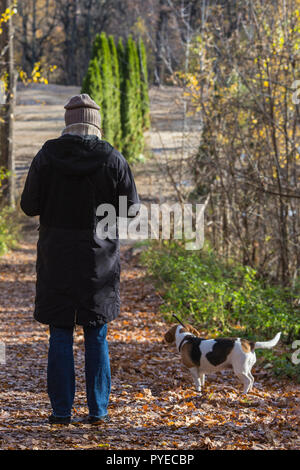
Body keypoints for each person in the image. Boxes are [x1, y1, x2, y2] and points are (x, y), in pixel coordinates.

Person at [20, 94, 140, 425]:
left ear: (67, 122)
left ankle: (61, 412)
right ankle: (98, 411)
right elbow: (131, 208)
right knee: (96, 333)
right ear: (96, 123)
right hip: (98, 261)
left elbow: (29, 205)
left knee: (60, 333)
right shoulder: (113, 158)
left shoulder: (47, 156)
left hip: (56, 257)